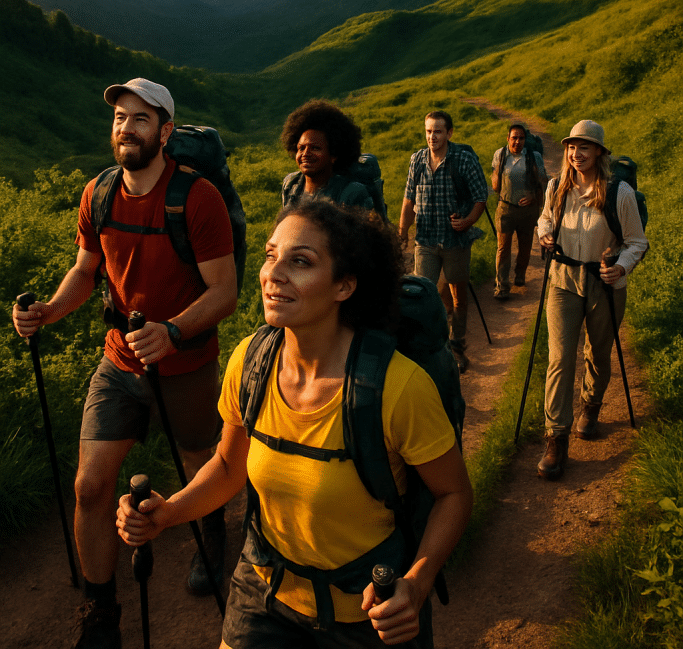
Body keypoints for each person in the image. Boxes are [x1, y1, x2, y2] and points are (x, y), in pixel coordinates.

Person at [117, 201, 473, 648]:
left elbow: (453, 493)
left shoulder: (397, 388)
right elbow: (229, 467)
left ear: (344, 286)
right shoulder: (250, 360)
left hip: (365, 610)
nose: (273, 274)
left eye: (300, 261)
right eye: (270, 255)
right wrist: (168, 512)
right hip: (263, 589)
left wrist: (417, 584)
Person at [12, 78, 237, 649]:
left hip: (185, 360)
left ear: (165, 132)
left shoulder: (198, 198)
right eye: (119, 119)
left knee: (197, 467)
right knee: (90, 488)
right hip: (120, 362)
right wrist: (50, 312)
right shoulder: (100, 193)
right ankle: (101, 608)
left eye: (140, 119)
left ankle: (211, 540)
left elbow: (224, 293)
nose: (126, 129)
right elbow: (87, 270)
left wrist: (174, 331)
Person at [536, 120, 648, 480]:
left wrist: (622, 268)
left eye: (584, 147)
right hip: (563, 280)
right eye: (571, 147)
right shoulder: (556, 187)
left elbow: (636, 242)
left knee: (598, 354)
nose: (575, 153)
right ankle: (556, 437)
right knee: (560, 357)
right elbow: (543, 220)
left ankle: (591, 405)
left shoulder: (620, 194)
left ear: (599, 152)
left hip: (604, 283)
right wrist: (547, 235)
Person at [398, 111, 488, 374]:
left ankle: (457, 346)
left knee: (459, 297)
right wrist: (403, 231)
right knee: (421, 295)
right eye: (428, 131)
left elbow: (480, 197)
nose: (432, 137)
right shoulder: (417, 159)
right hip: (425, 240)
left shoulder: (462, 159)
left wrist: (468, 221)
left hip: (455, 241)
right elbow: (408, 199)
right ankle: (427, 348)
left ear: (449, 133)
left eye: (437, 131)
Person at [280, 99, 373, 209]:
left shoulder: (351, 193)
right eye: (301, 148)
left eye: (315, 148)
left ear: (334, 155)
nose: (305, 153)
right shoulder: (291, 184)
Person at [491, 123, 547, 301]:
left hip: (528, 211)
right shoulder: (500, 155)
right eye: (514, 137)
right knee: (503, 248)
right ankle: (502, 285)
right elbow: (495, 185)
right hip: (506, 207)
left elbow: (543, 182)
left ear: (525, 140)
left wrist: (533, 197)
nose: (517, 141)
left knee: (525, 246)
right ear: (508, 138)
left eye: (521, 138)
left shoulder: (534, 156)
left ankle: (520, 273)